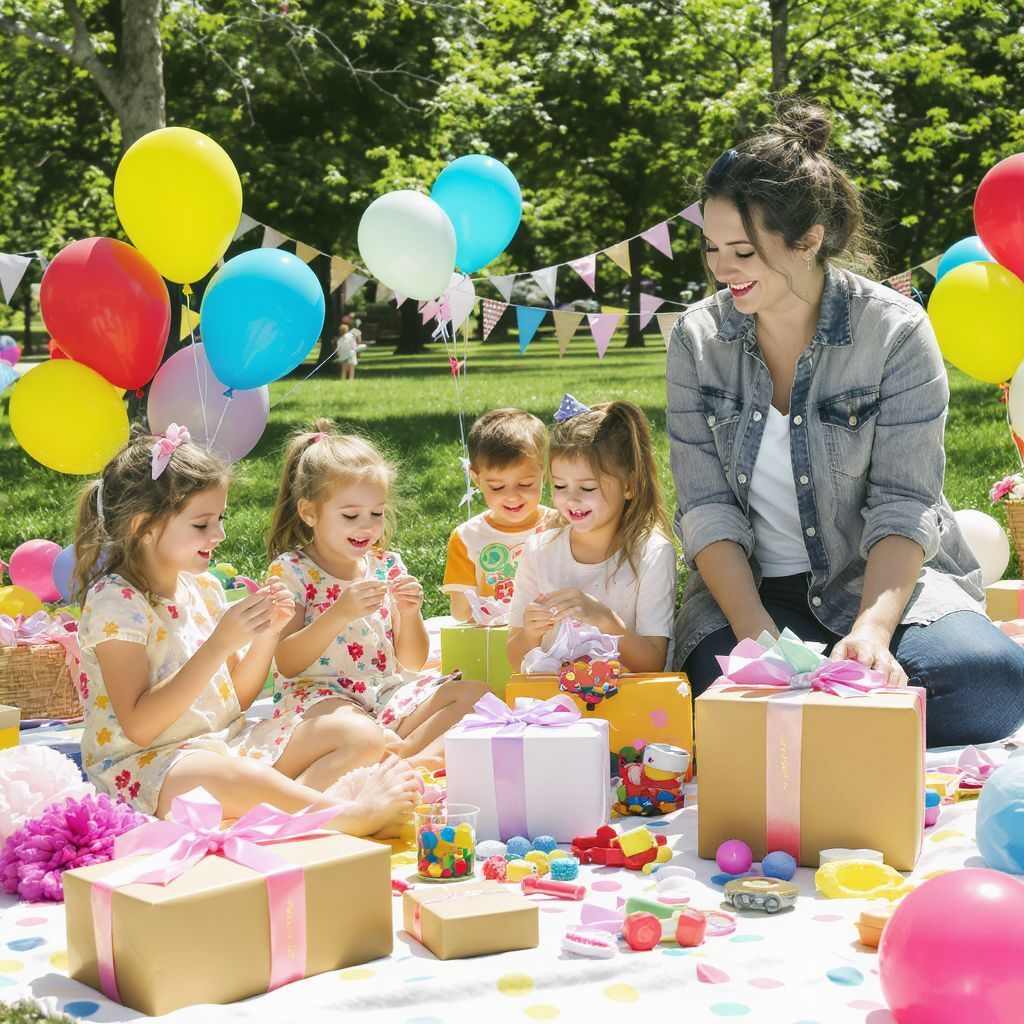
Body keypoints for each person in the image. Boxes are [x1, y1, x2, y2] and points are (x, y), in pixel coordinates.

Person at [667, 101, 1024, 747]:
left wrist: (872, 634)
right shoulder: (696, 340)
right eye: (712, 248)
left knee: (990, 684)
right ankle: (857, 727)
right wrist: (757, 640)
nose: (721, 268)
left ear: (807, 241)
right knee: (711, 691)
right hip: (754, 594)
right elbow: (706, 510)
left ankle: (816, 732)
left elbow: (904, 504)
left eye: (742, 250)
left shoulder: (895, 332)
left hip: (883, 585)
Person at [74, 430, 420, 835]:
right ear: (143, 527)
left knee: (359, 735)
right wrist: (218, 645)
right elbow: (139, 727)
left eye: (218, 520)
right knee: (238, 777)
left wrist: (268, 635)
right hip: (149, 765)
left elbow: (235, 700)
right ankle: (348, 816)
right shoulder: (116, 602)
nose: (218, 535)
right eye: (202, 524)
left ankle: (282, 820)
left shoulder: (203, 588)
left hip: (226, 741)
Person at [267, 419, 489, 765]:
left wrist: (410, 614)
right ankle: (392, 753)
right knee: (354, 729)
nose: (367, 525)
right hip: (322, 699)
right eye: (350, 515)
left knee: (478, 695)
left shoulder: (387, 565)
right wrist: (338, 613)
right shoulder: (292, 570)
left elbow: (412, 661)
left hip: (384, 692)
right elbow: (287, 661)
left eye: (376, 513)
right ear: (309, 512)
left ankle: (408, 760)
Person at [507, 397, 677, 673]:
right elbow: (516, 659)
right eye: (560, 486)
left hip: (629, 696)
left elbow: (652, 663)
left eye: (587, 488)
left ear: (629, 486)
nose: (571, 498)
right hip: (551, 696)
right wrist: (530, 633)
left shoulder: (653, 554)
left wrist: (604, 619)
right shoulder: (539, 550)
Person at [442, 408, 553, 621]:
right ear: (476, 479)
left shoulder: (560, 526)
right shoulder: (467, 538)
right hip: (494, 636)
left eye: (525, 484)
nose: (512, 496)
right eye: (497, 487)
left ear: (544, 474)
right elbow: (462, 612)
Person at [336, 315, 366, 381]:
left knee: (344, 368)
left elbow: (338, 349)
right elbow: (354, 346)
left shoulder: (339, 339)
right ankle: (351, 379)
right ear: (347, 330)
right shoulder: (350, 337)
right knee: (351, 367)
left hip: (342, 355)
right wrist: (361, 347)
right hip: (350, 354)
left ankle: (343, 379)